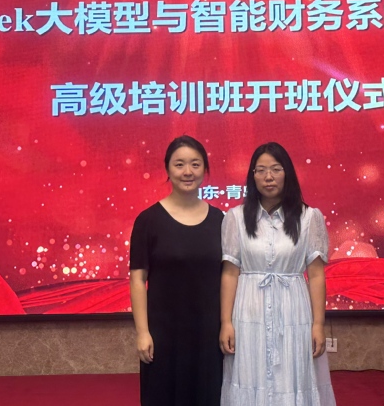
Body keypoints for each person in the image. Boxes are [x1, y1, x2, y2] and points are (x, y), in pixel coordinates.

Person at [219, 142, 336, 406]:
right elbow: (229, 273)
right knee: (250, 374)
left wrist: (318, 324)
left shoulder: (309, 218)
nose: (268, 177)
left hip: (293, 310)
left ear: (288, 173)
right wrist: (226, 322)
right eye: (260, 170)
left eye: (275, 169)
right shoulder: (235, 218)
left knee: (292, 375)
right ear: (252, 176)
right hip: (249, 310)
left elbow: (316, 275)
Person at [130, 135, 224, 406]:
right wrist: (143, 332)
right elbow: (137, 279)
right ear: (167, 169)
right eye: (179, 164)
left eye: (195, 164)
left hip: (208, 333)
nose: (187, 172)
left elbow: (229, 276)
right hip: (163, 334)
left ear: (205, 169)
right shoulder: (148, 221)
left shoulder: (221, 220)